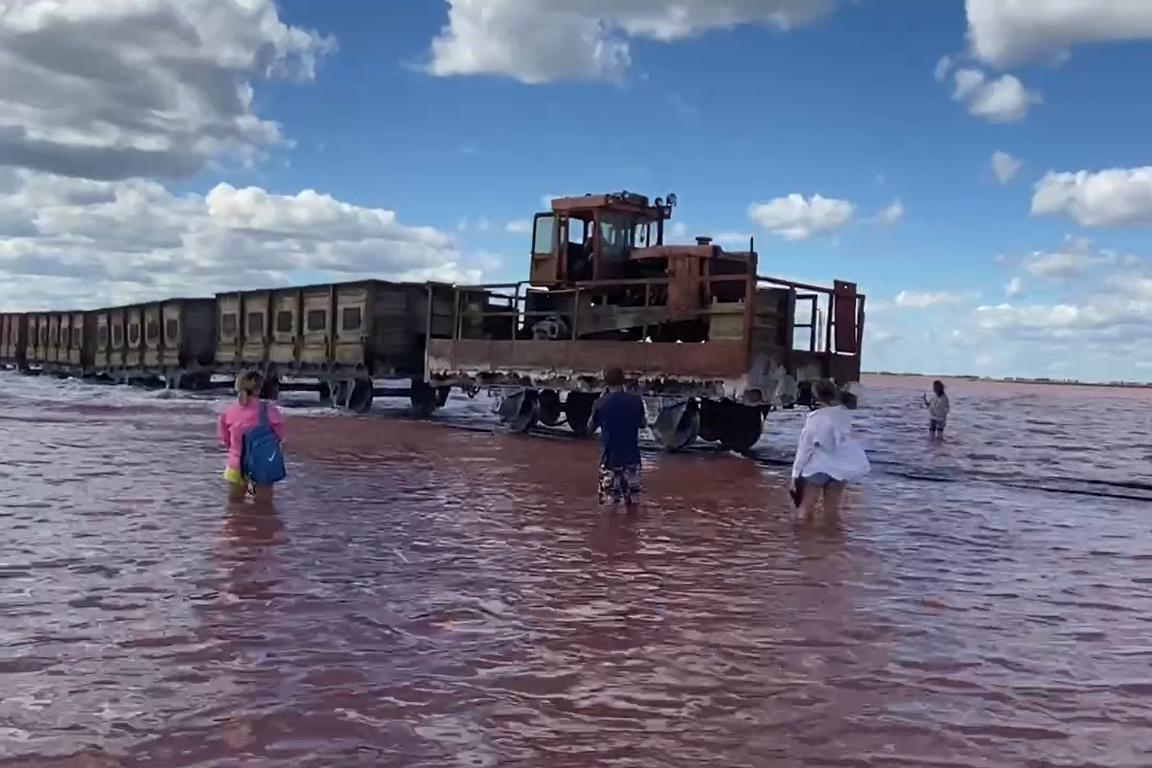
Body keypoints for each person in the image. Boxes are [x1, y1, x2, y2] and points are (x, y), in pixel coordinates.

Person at [790, 378, 870, 525]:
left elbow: (805, 449)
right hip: (840, 468)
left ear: (816, 396)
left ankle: (801, 544)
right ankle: (833, 542)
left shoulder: (815, 418)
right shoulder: (845, 415)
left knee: (805, 509)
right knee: (832, 511)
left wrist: (795, 475)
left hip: (818, 468)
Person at [218, 371, 286, 504]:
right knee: (264, 507)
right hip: (263, 463)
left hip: (236, 464)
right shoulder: (268, 410)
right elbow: (279, 436)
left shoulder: (228, 411)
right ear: (259, 389)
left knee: (234, 507)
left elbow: (226, 441)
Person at [588, 367, 646, 510]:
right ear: (622, 380)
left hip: (610, 461)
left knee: (609, 507)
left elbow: (590, 428)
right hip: (632, 460)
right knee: (633, 505)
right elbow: (643, 424)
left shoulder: (600, 403)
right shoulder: (636, 400)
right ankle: (632, 531)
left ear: (605, 382)